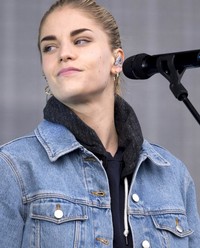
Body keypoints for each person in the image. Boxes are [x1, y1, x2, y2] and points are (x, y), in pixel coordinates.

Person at [0, 0, 199, 247]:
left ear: (117, 61)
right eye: (49, 47)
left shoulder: (173, 175)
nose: (64, 54)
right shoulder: (11, 168)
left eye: (81, 40)